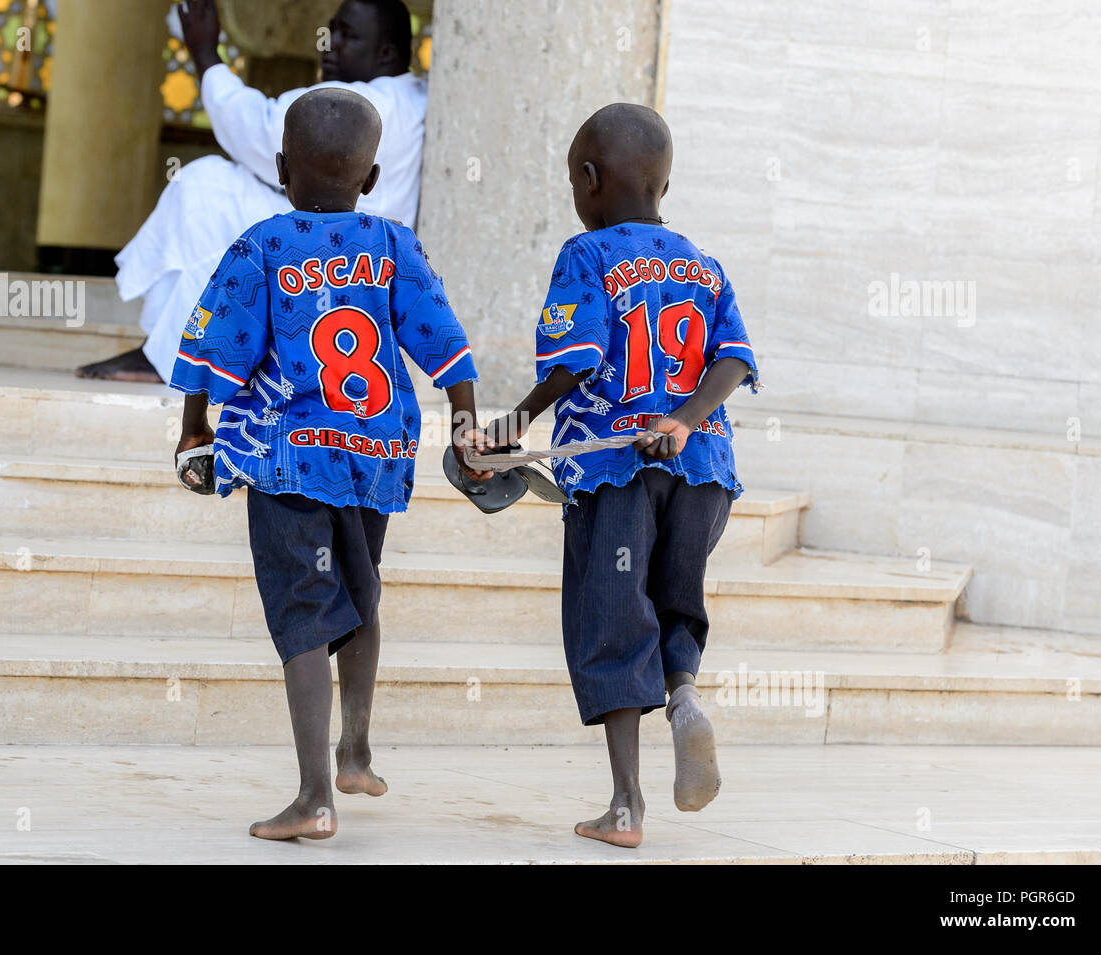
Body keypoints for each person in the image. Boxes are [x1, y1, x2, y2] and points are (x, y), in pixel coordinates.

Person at [170, 88, 487, 840]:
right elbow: (444, 341)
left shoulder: (262, 246)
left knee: (305, 616)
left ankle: (314, 797)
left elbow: (215, 347)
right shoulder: (393, 246)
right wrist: (468, 422)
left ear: (281, 167)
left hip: (286, 460)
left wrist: (193, 429)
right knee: (360, 593)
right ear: (372, 178)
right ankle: (356, 748)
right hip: (372, 456)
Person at [473, 103, 760, 849]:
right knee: (674, 597)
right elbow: (734, 359)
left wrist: (519, 420)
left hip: (614, 469)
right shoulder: (703, 263)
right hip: (701, 469)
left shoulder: (588, 253)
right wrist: (686, 419)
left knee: (612, 617)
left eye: (575, 178)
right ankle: (686, 693)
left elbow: (577, 358)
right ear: (664, 185)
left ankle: (626, 803)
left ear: (590, 181)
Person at [81, 0, 424, 383]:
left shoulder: (356, 102)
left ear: (386, 52)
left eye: (348, 34)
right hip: (361, 251)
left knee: (203, 187)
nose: (329, 42)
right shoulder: (416, 97)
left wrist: (205, 54)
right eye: (331, 29)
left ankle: (173, 357)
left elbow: (259, 131)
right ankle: (168, 350)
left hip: (330, 254)